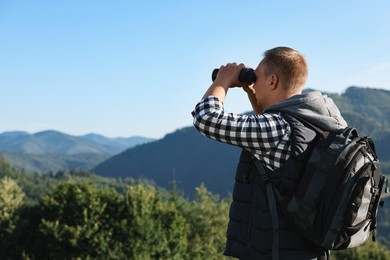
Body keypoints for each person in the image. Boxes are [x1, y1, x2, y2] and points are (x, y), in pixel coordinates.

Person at [192, 47, 347, 259]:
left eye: (257, 76)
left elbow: (206, 118)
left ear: (272, 81)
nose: (253, 82)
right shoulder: (323, 122)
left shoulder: (278, 128)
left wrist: (223, 79)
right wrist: (255, 95)